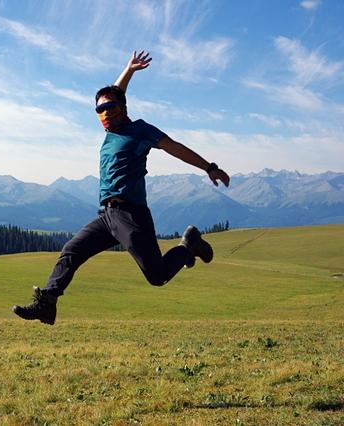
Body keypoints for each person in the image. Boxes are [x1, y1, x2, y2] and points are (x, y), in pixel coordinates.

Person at [13, 50, 231, 325]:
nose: (105, 113)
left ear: (123, 109)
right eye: (100, 110)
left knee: (157, 276)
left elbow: (174, 147)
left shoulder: (140, 130)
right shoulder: (110, 133)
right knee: (71, 251)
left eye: (111, 108)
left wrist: (209, 167)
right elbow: (115, 93)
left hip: (131, 216)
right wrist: (128, 69)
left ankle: (188, 246)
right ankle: (47, 303)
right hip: (106, 215)